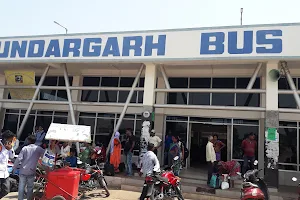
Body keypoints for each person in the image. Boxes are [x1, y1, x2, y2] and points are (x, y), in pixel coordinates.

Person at [13, 134, 45, 200]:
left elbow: (19, 159)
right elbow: (45, 155)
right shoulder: (38, 148)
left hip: (23, 171)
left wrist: (14, 168)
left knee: (21, 187)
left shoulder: (25, 148)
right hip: (32, 171)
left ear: (28, 140)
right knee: (30, 188)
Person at [0, 130, 15, 199]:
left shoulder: (9, 146)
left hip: (5, 173)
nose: (10, 141)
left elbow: (12, 156)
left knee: (6, 191)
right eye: (10, 140)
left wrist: (10, 148)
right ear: (4, 139)